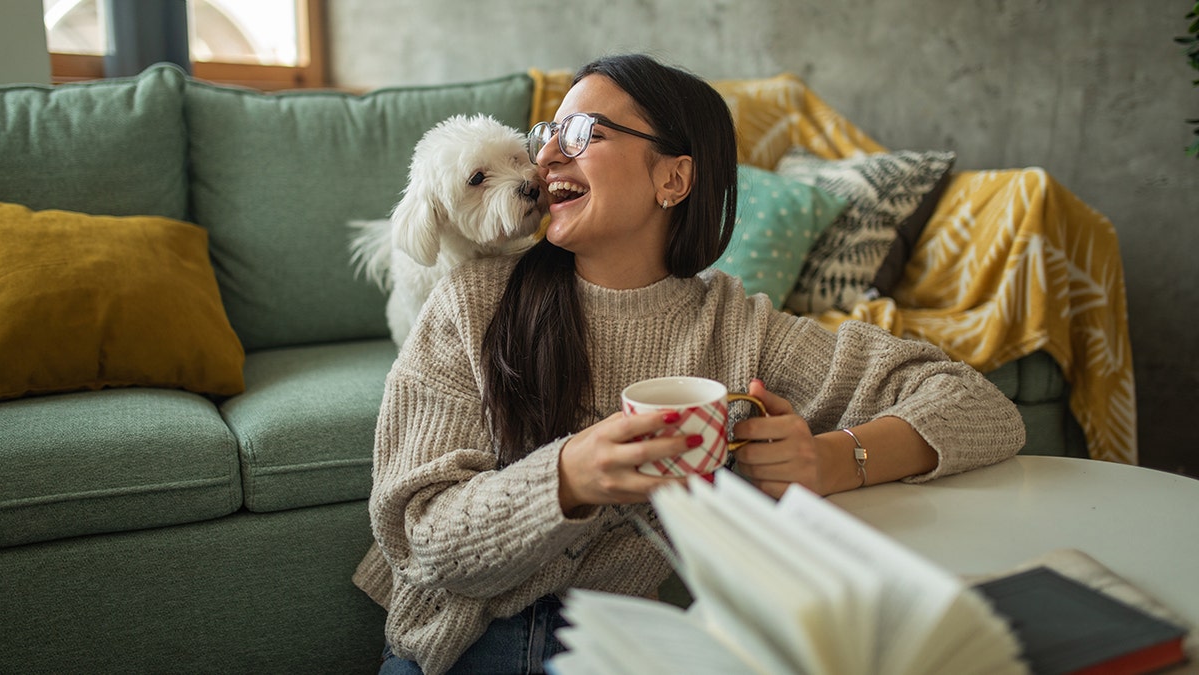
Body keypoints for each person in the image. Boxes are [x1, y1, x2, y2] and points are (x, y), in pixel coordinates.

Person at [353, 53, 1025, 675]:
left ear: (672, 177)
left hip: (622, 646)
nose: (548, 154)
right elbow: (416, 535)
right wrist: (566, 478)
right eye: (548, 132)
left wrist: (831, 458)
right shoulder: (472, 302)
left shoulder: (740, 328)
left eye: (583, 131)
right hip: (452, 648)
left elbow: (975, 405)